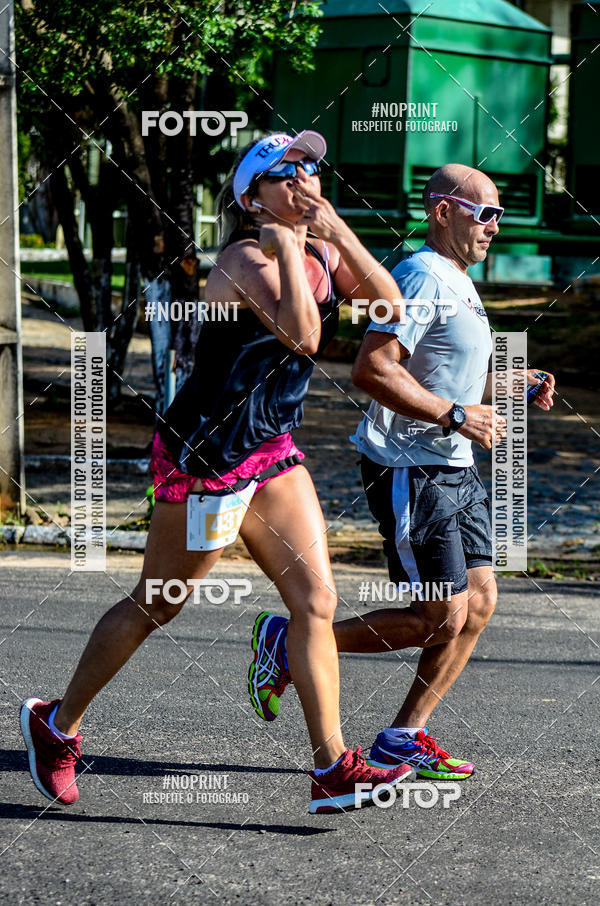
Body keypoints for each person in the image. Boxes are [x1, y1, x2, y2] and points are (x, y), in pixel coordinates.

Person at [20, 130, 413, 815]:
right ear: (251, 197)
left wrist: (337, 233)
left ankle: (331, 769)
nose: (304, 180)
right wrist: (289, 247)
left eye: (311, 169)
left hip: (270, 448)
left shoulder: (317, 245)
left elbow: (389, 308)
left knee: (316, 602)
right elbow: (305, 337)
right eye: (286, 173)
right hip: (208, 453)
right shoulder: (240, 260)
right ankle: (56, 725)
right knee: (159, 601)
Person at [249, 163, 555, 781]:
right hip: (410, 466)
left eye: (499, 214)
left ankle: (402, 736)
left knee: (481, 601)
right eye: (485, 212)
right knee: (437, 616)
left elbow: (448, 381)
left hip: (452, 463)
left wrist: (511, 386)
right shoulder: (419, 275)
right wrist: (455, 416)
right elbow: (373, 368)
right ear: (443, 211)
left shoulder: (459, 281)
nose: (495, 226)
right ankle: (288, 644)